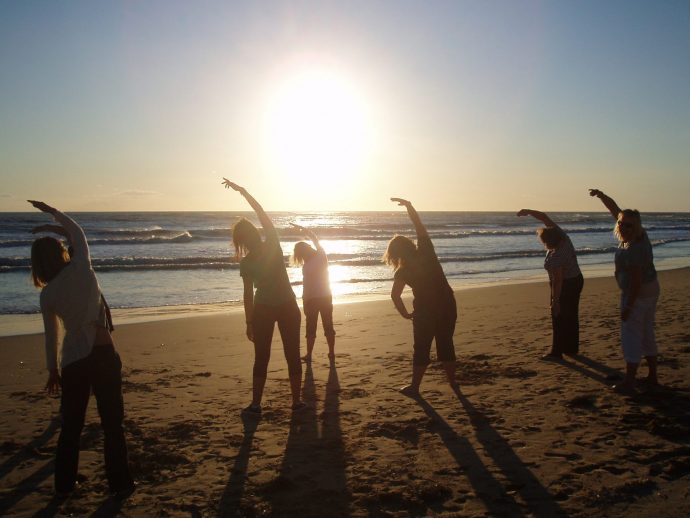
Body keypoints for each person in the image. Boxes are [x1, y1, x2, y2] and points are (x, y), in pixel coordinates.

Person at [28, 200, 134, 498]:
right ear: (61, 253)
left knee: (71, 427)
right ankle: (120, 484)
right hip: (102, 354)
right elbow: (77, 232)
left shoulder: (47, 294)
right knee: (112, 423)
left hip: (73, 360)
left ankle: (64, 486)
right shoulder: (81, 267)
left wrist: (52, 370)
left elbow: (51, 336)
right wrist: (51, 213)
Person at [222, 179, 305, 414]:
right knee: (289, 354)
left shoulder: (252, 259)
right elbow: (261, 212)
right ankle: (294, 401)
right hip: (284, 306)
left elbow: (248, 295)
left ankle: (259, 404)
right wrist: (244, 192)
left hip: (266, 310)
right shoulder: (272, 246)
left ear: (241, 240)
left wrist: (248, 322)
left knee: (264, 357)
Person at [383, 198, 458, 396]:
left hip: (425, 311)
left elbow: (395, 296)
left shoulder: (403, 271)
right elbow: (419, 226)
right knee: (446, 343)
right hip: (447, 304)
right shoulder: (426, 251)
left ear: (394, 253)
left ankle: (415, 387)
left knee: (422, 348)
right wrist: (409, 207)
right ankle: (453, 383)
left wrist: (405, 314)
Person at [589, 189, 660, 393]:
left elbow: (636, 281)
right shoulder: (637, 235)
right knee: (646, 332)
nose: (623, 227)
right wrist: (602, 196)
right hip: (651, 288)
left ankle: (629, 381)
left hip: (638, 293)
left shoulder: (634, 247)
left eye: (629, 225)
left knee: (631, 335)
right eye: (621, 223)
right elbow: (615, 211)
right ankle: (652, 376)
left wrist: (628, 305)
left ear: (636, 226)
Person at [517, 209, 584, 360]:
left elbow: (557, 281)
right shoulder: (563, 237)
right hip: (576, 279)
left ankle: (557, 351)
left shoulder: (556, 256)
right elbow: (544, 217)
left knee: (558, 316)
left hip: (566, 284)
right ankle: (571, 348)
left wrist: (555, 301)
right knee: (571, 315)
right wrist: (528, 211)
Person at [290, 223, 336, 363]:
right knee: (327, 325)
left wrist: (305, 301)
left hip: (314, 299)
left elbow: (307, 286)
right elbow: (315, 240)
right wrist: (305, 231)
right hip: (325, 296)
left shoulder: (310, 263)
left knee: (312, 327)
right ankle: (330, 353)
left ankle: (311, 354)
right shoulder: (321, 256)